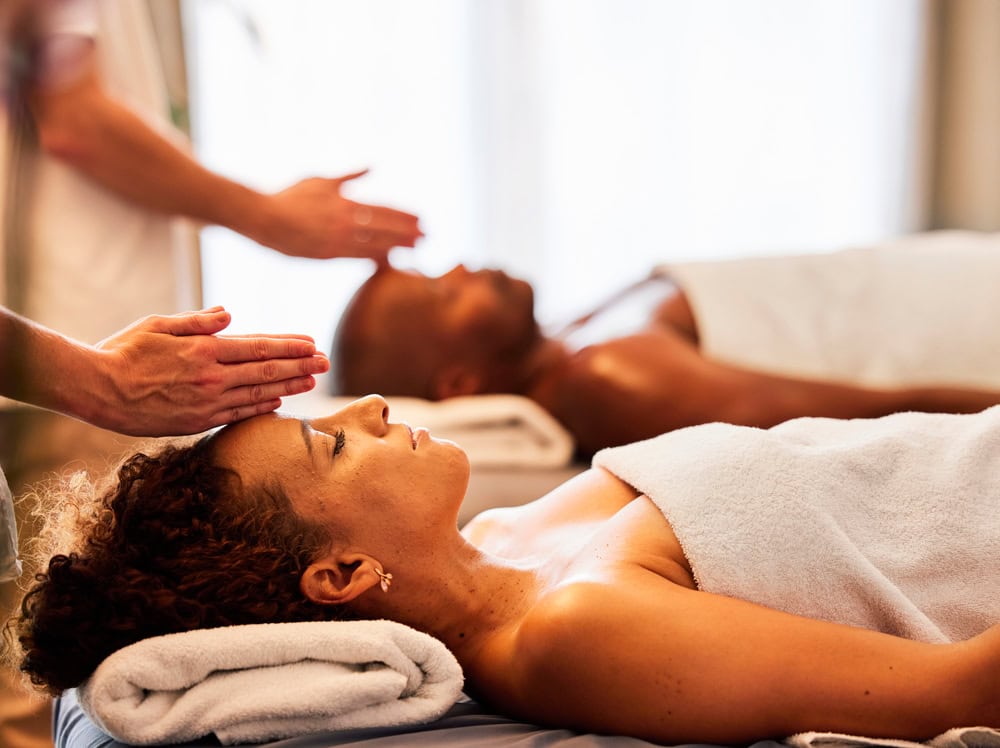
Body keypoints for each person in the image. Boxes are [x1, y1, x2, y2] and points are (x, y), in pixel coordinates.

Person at [5, 394, 999, 744]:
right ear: (344, 572)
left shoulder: (517, 530)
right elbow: (960, 689)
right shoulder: (573, 635)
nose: (374, 409)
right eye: (334, 445)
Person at [0, 2, 421, 744]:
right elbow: (72, 119)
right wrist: (263, 215)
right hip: (54, 370)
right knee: (29, 702)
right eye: (326, 442)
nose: (376, 408)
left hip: (66, 363)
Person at [330, 231, 1000, 455]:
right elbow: (868, 421)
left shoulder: (573, 342)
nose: (463, 268)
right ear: (457, 385)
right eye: (444, 294)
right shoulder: (608, 379)